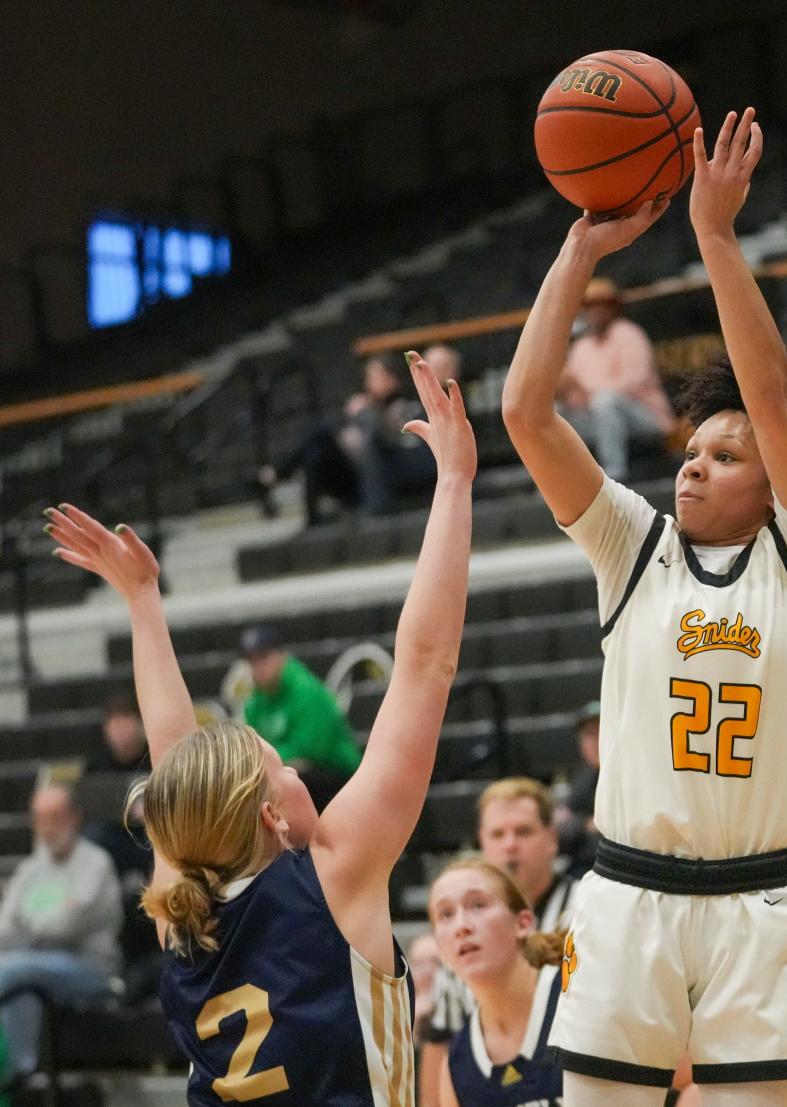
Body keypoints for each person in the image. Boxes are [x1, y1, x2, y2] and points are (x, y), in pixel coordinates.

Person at [502, 107, 787, 1107]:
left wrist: (715, 236)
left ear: (780, 482)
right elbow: (527, 414)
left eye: (725, 455)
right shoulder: (635, 547)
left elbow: (774, 398)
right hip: (624, 898)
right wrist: (580, 249)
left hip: (758, 905)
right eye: (691, 453)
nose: (696, 470)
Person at [43, 350, 476, 1106]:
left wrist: (145, 604)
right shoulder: (335, 879)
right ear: (274, 813)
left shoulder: (182, 920)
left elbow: (180, 771)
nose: (299, 772)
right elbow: (425, 663)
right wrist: (454, 482)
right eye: (285, 766)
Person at [419, 778, 578, 1106]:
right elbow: (439, 1044)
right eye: (497, 834)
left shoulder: (586, 908)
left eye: (523, 832)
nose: (510, 845)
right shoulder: (458, 1059)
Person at [0, 785, 122, 1087]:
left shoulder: (96, 864)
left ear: (74, 817)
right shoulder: (29, 870)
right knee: (21, 978)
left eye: (55, 817)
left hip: (90, 968)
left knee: (14, 968)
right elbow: (5, 931)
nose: (47, 827)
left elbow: (66, 927)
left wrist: (27, 923)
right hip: (31, 966)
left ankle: (17, 1073)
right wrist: (44, 923)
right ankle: (24, 1070)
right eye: (40, 818)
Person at [428, 859, 565, 1107]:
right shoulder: (456, 1065)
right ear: (439, 947)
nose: (461, 926)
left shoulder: (574, 997)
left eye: (478, 905)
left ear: (522, 923)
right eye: (446, 914)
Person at [260, 354, 437, 522]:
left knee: (320, 434)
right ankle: (312, 519)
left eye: (373, 377)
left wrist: (363, 413)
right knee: (316, 448)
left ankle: (278, 473)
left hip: (387, 478)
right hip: (360, 473)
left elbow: (390, 439)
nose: (367, 382)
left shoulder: (404, 404)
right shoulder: (374, 406)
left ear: (391, 379)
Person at [557, 276, 675, 482]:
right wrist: (564, 391)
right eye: (591, 306)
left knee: (606, 401)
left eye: (602, 305)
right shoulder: (581, 346)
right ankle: (557, 483)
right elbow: (579, 398)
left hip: (645, 417)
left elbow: (632, 383)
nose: (596, 312)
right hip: (603, 419)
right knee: (554, 415)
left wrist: (585, 387)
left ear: (614, 308)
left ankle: (614, 476)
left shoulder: (629, 334)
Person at [240, 623, 361, 810]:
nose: (258, 668)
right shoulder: (256, 701)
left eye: (263, 658)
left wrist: (268, 760)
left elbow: (311, 750)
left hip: (338, 779)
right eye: (252, 661)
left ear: (281, 656)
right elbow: (252, 745)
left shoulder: (306, 690)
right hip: (292, 774)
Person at [83, 693, 152, 883]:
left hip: (149, 833)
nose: (121, 732)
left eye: (126, 723)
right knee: (91, 837)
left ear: (140, 723)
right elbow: (90, 803)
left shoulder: (155, 756)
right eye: (114, 725)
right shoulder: (96, 764)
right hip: (113, 835)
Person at [553, 702, 602, 877]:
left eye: (602, 731)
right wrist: (586, 825)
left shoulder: (632, 777)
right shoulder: (583, 779)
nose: (596, 741)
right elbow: (560, 831)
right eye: (589, 734)